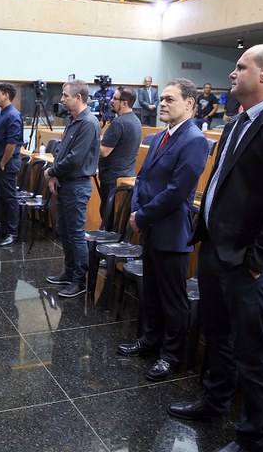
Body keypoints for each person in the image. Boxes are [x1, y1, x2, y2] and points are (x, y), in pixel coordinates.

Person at [168, 44, 263, 452]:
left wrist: (257, 259)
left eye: (240, 67)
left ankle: (251, 437)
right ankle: (214, 401)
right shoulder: (238, 122)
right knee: (217, 334)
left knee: (252, 351)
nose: (232, 74)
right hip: (217, 249)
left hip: (249, 261)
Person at [116, 78, 209, 382]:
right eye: (163, 99)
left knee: (172, 298)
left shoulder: (194, 139)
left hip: (171, 230)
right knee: (151, 292)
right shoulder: (160, 136)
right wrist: (137, 210)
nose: (163, 104)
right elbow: (143, 178)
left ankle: (170, 355)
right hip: (150, 226)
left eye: (170, 99)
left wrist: (142, 216)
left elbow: (177, 191)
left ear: (189, 103)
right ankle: (149, 341)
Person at [44, 79, 101, 298]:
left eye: (65, 96)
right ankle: (69, 273)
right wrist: (54, 173)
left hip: (77, 185)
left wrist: (51, 171)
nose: (61, 99)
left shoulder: (88, 123)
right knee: (65, 231)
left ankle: (79, 280)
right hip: (65, 183)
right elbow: (61, 151)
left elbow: (75, 159)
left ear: (78, 97)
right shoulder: (73, 120)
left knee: (76, 234)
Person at [98, 86, 142, 218]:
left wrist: (90, 140)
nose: (111, 101)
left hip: (112, 179)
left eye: (115, 98)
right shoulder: (136, 120)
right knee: (118, 218)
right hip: (126, 177)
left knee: (108, 216)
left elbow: (104, 151)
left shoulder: (118, 123)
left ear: (124, 103)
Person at [0, 83, 23, 247]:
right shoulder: (3, 113)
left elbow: (12, 144)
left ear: (6, 96)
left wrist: (2, 163)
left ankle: (12, 232)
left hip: (6, 164)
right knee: (1, 198)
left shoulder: (13, 115)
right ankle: (4, 229)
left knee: (10, 198)